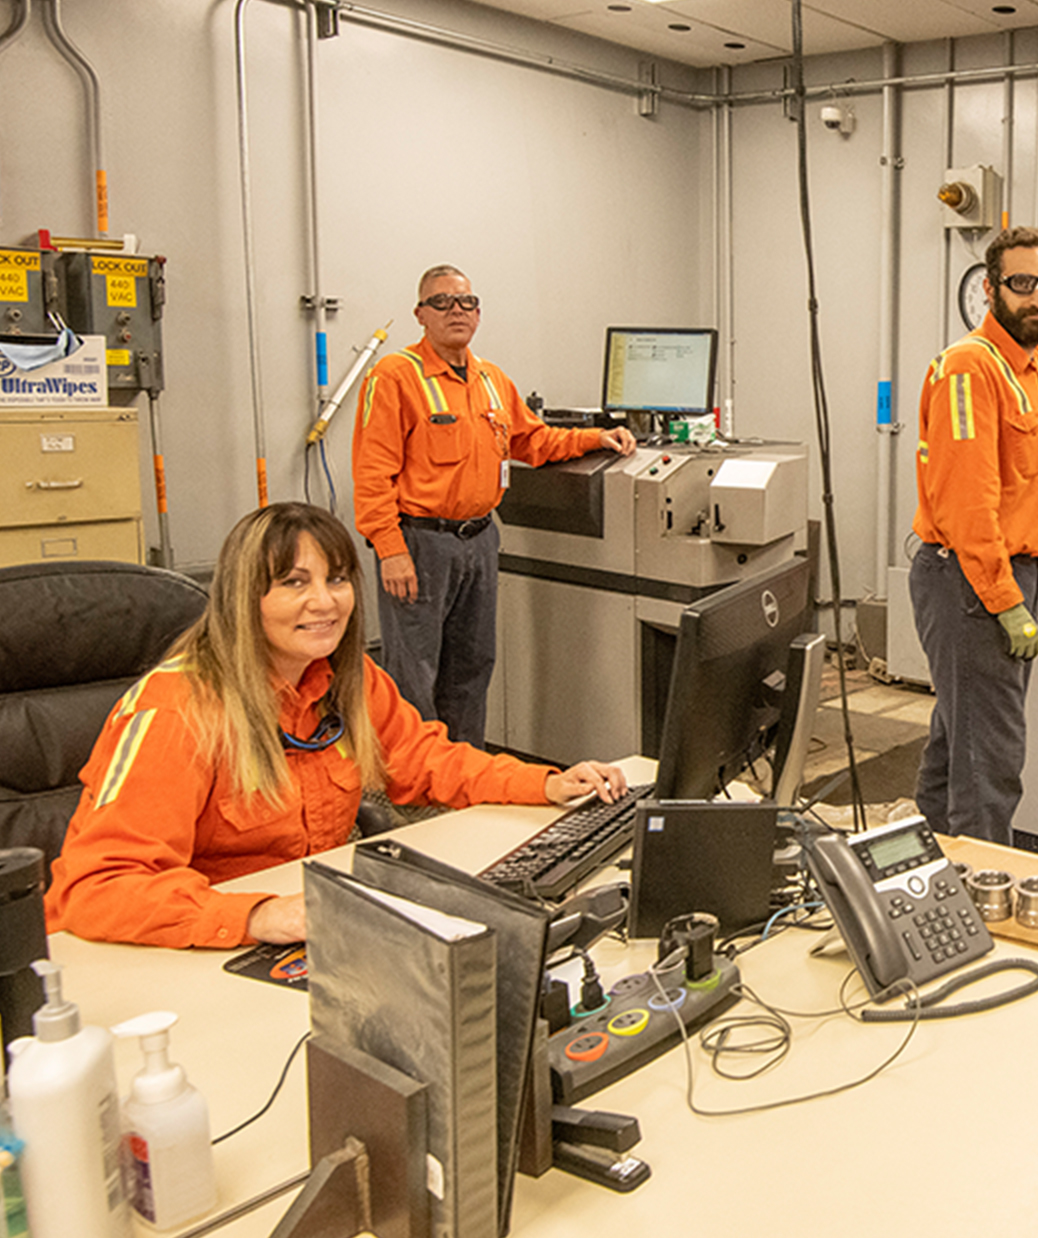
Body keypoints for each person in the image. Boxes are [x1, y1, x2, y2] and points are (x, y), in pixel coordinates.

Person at [45, 503, 629, 949]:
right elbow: (95, 888)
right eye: (295, 583)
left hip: (309, 928)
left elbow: (427, 758)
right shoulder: (178, 710)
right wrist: (255, 914)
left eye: (338, 579)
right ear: (244, 597)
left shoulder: (344, 679)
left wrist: (547, 784)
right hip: (194, 946)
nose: (325, 602)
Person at [352, 264, 636, 745]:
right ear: (421, 314)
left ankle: (466, 777)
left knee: (472, 668)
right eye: (440, 302)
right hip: (421, 545)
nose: (455, 311)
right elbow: (371, 471)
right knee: (414, 675)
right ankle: (415, 790)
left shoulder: (491, 380)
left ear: (478, 314)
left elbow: (535, 441)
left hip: (480, 541)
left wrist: (597, 438)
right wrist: (390, 548)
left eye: (465, 302)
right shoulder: (396, 376)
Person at [909, 227, 1038, 845]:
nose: (1037, 298)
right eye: (1021, 284)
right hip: (971, 582)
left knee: (959, 738)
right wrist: (1006, 601)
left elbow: (1009, 472)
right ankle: (979, 897)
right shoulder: (971, 369)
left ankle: (928, 872)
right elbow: (966, 501)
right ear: (991, 290)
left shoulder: (1029, 366)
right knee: (990, 761)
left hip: (1002, 569)